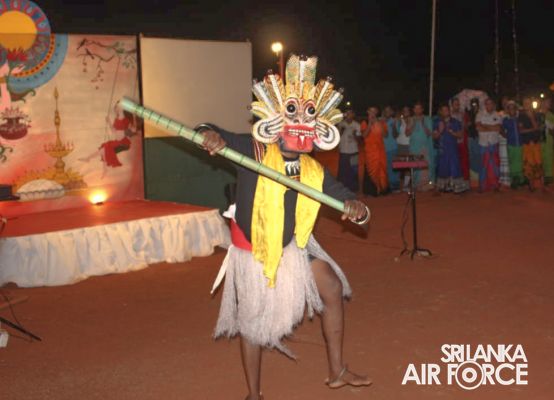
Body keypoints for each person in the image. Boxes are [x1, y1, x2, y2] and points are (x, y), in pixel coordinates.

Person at [202, 55, 371, 400]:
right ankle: (254, 394)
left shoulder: (313, 170)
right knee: (252, 323)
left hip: (293, 245)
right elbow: (205, 128)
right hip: (254, 250)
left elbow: (349, 201)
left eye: (309, 115)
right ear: (275, 118)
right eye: (292, 112)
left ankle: (337, 372)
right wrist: (209, 135)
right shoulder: (252, 150)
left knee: (332, 286)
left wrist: (357, 208)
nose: (301, 122)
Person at [433, 104, 468, 193]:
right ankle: (445, 186)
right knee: (443, 167)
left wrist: (452, 132)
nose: (446, 112)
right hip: (442, 149)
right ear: (441, 112)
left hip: (452, 148)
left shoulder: (455, 122)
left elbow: (460, 135)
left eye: (447, 110)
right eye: (444, 110)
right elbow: (434, 137)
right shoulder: (437, 122)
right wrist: (440, 131)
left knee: (454, 167)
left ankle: (457, 187)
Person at [476, 98, 502, 192]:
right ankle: (482, 186)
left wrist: (485, 126)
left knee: (495, 165)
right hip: (483, 143)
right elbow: (478, 128)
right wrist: (492, 127)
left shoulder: (497, 115)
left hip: (493, 143)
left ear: (493, 105)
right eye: (487, 104)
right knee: (483, 165)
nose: (489, 105)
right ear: (485, 105)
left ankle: (495, 185)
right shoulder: (480, 114)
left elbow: (498, 128)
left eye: (490, 103)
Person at [361, 106, 389, 196]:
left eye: (374, 111)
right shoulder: (364, 122)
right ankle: (372, 190)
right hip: (370, 151)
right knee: (370, 169)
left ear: (377, 112)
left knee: (381, 168)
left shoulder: (381, 122)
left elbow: (385, 135)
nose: (372, 113)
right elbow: (364, 135)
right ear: (368, 112)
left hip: (380, 150)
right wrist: (370, 123)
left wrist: (378, 123)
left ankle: (382, 189)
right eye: (371, 111)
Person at [518, 98, 543, 191]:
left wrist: (531, 118)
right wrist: (533, 129)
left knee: (538, 163)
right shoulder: (521, 116)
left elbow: (538, 128)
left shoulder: (537, 114)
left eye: (528, 103)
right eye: (525, 103)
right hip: (527, 143)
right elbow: (521, 130)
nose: (526, 105)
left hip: (536, 143)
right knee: (528, 164)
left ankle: (541, 185)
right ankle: (531, 185)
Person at [410, 102, 434, 190]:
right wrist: (413, 123)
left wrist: (423, 123)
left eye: (419, 108)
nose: (417, 110)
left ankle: (427, 185)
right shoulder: (410, 119)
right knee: (416, 166)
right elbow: (407, 133)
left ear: (422, 109)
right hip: (414, 146)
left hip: (425, 146)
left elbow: (429, 134)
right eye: (415, 108)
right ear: (413, 110)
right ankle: (417, 185)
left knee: (426, 165)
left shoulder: (427, 119)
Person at [501, 101, 525, 188]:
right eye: (510, 108)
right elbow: (501, 129)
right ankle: (514, 180)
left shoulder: (520, 118)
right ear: (507, 110)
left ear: (516, 109)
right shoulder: (505, 120)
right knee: (512, 161)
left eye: (513, 108)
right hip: (511, 144)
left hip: (521, 143)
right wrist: (506, 135)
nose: (512, 110)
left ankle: (521, 180)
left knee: (520, 161)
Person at [336, 109, 361, 191]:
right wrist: (341, 131)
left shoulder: (357, 125)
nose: (348, 115)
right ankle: (342, 187)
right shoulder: (341, 124)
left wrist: (355, 135)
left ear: (353, 115)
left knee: (353, 170)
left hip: (353, 151)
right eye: (347, 113)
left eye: (350, 113)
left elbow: (360, 140)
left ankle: (353, 188)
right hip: (343, 150)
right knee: (343, 170)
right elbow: (336, 137)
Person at [450, 97, 470, 188]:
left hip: (462, 141)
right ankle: (454, 183)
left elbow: (466, 128)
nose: (457, 106)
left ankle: (465, 183)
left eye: (458, 104)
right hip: (452, 142)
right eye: (455, 104)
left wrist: (466, 125)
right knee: (454, 162)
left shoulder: (463, 115)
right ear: (452, 105)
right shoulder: (449, 115)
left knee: (464, 161)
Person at [394, 106, 413, 191]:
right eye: (404, 110)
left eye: (407, 110)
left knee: (408, 166)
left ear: (410, 111)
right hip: (399, 145)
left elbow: (409, 132)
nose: (406, 112)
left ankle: (405, 185)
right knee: (400, 166)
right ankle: (399, 186)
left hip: (408, 145)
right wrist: (396, 122)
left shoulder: (412, 120)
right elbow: (396, 133)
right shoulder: (399, 120)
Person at [381, 105, 399, 191]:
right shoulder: (380, 121)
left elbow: (396, 136)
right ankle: (386, 186)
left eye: (389, 111)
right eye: (386, 111)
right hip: (382, 148)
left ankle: (395, 185)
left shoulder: (395, 121)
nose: (387, 112)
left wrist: (394, 126)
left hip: (392, 148)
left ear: (392, 112)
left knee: (393, 167)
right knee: (384, 168)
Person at [538, 98, 553, 185]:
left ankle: (549, 178)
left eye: (547, 103)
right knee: (539, 158)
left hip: (548, 140)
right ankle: (540, 177)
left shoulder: (551, 116)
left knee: (548, 158)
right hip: (538, 140)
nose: (545, 104)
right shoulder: (537, 114)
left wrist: (549, 127)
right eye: (544, 102)